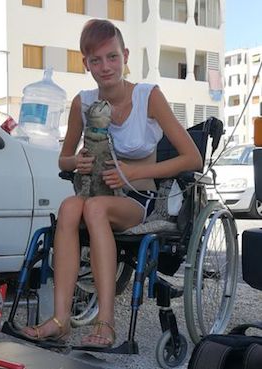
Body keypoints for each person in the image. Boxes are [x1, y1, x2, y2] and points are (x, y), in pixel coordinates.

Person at [22, 19, 202, 348]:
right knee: (68, 206)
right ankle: (61, 320)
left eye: (112, 57)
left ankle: (106, 323)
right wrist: (76, 161)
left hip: (137, 198)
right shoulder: (83, 101)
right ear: (85, 63)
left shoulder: (149, 96)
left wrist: (131, 173)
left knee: (93, 207)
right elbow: (63, 159)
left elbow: (193, 159)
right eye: (96, 60)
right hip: (97, 194)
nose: (105, 67)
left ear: (125, 56)